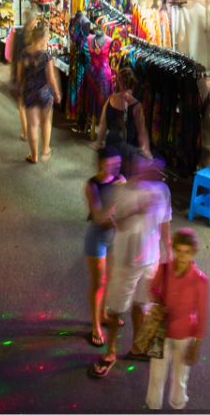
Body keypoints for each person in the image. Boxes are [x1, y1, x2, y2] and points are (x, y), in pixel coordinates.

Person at [92, 155, 172, 378]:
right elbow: (118, 223)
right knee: (117, 308)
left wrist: (168, 254)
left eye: (157, 171)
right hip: (127, 260)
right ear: (138, 169)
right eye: (148, 169)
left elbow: (165, 223)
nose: (153, 174)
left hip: (151, 259)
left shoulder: (163, 191)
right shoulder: (122, 191)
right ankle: (111, 351)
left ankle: (138, 347)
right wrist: (138, 210)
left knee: (142, 304)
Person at [145, 228, 209, 411]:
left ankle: (177, 404)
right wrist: (158, 299)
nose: (182, 256)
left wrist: (196, 345)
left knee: (180, 376)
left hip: (184, 335)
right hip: (161, 331)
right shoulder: (165, 269)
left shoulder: (200, 281)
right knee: (156, 374)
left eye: (187, 252)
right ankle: (153, 405)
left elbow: (202, 314)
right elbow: (153, 288)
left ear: (194, 252)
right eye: (179, 251)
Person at [83, 148, 125, 348]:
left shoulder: (121, 179)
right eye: (111, 164)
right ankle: (96, 325)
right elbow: (99, 217)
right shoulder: (92, 185)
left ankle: (104, 314)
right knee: (98, 282)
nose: (115, 167)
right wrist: (118, 197)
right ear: (101, 163)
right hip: (97, 237)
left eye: (117, 163)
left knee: (109, 279)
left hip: (114, 237)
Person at [17, 22, 60, 164]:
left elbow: (19, 75)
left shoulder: (23, 53)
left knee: (32, 125)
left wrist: (21, 89)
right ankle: (45, 149)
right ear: (44, 37)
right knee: (46, 121)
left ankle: (33, 155)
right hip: (44, 93)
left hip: (29, 92)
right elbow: (51, 79)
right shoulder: (46, 55)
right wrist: (57, 93)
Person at [97, 66, 150, 159]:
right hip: (127, 151)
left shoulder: (110, 100)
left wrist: (99, 142)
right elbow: (142, 131)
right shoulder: (136, 105)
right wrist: (146, 151)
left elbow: (102, 125)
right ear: (133, 84)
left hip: (110, 146)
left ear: (119, 82)